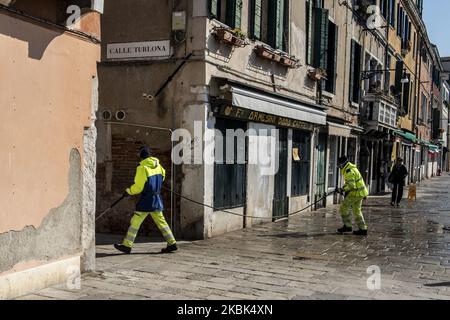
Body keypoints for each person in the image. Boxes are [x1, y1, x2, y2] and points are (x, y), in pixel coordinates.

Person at [114, 146, 177, 254]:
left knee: (135, 223)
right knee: (162, 222)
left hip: (146, 200)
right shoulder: (158, 165)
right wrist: (156, 184)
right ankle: (172, 243)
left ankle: (127, 246)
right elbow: (163, 175)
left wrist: (128, 191)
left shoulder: (142, 168)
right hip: (156, 199)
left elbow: (138, 187)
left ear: (141, 156)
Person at [336, 156, 369, 236]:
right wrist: (343, 188)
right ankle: (363, 229)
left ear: (342, 163)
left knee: (343, 208)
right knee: (357, 211)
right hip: (360, 193)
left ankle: (347, 226)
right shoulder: (351, 168)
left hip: (355, 193)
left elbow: (352, 186)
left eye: (339, 164)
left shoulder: (349, 171)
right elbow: (350, 183)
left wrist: (342, 190)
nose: (338, 165)